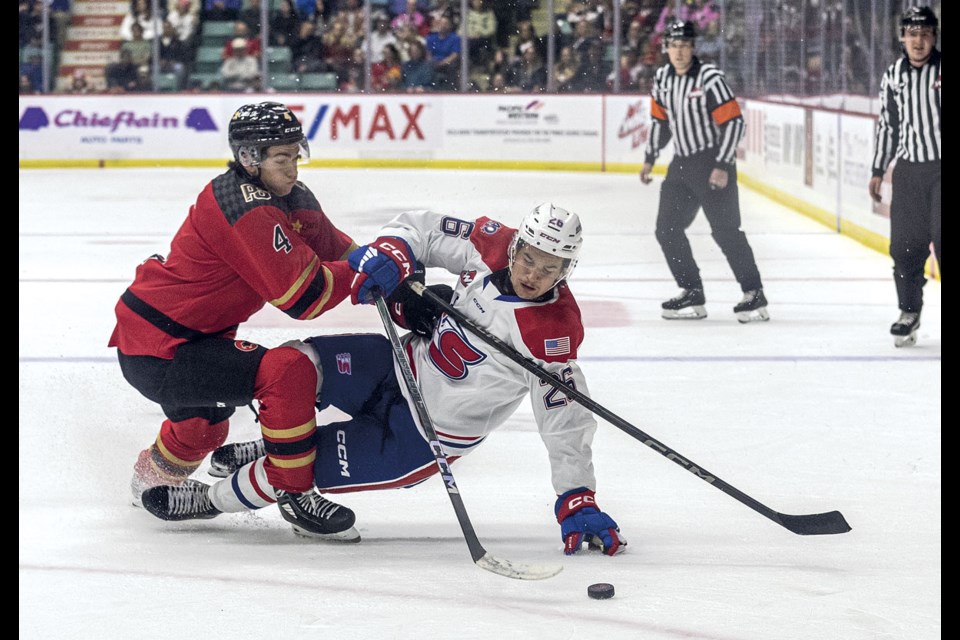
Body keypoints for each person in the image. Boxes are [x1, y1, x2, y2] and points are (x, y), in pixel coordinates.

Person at [140, 204, 628, 557]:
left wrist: (575, 495)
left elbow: (564, 419)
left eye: (551, 267)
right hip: (397, 364)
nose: (535, 274)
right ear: (518, 245)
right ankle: (284, 443)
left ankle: (208, 500)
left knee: (292, 474)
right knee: (293, 365)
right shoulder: (492, 243)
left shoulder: (552, 331)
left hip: (421, 437)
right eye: (530, 258)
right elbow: (422, 227)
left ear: (567, 269)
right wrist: (396, 258)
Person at [109, 102, 416, 541]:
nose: (292, 169)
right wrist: (374, 272)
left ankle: (147, 485)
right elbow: (304, 297)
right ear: (250, 158)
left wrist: (398, 279)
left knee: (202, 430)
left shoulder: (290, 196)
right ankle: (295, 493)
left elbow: (339, 251)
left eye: (296, 154)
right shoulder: (244, 207)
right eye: (281, 158)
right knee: (287, 372)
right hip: (163, 347)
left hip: (179, 336)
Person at [639, 20, 768, 323]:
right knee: (667, 229)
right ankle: (691, 289)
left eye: (685, 45)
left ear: (693, 47)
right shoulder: (662, 79)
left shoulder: (709, 78)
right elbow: (661, 122)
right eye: (674, 45)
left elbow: (734, 122)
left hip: (712, 161)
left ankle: (754, 291)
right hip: (681, 164)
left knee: (725, 232)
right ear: (666, 48)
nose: (679, 51)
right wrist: (650, 158)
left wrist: (722, 165)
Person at [868, 6, 941, 348]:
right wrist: (878, 169)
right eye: (912, 34)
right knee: (904, 247)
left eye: (925, 34)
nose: (919, 41)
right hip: (910, 172)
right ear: (902, 38)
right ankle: (908, 311)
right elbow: (889, 125)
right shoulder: (893, 76)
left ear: (934, 37)